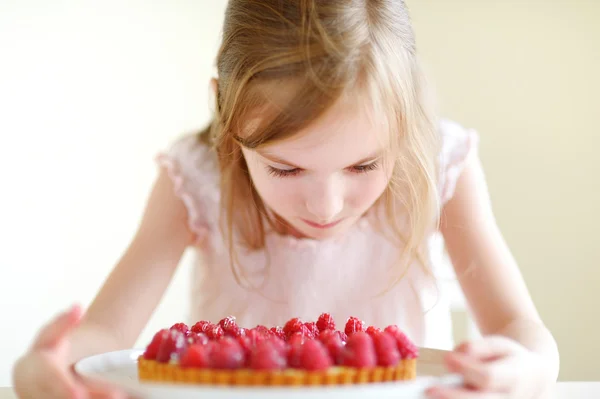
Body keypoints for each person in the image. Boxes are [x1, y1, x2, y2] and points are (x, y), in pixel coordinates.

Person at [12, 1, 560, 398]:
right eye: (286, 167)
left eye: (364, 165)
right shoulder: (194, 177)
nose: (326, 205)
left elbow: (520, 329)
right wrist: (54, 365)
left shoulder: (445, 167)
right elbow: (107, 335)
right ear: (225, 111)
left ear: (407, 117)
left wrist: (530, 370)